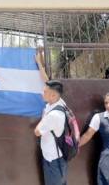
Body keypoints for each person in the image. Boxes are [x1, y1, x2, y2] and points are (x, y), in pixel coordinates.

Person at [34, 51, 68, 185]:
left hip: (53, 160)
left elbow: (37, 131)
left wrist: (44, 118)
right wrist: (39, 64)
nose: (42, 93)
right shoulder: (59, 102)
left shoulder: (53, 115)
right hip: (56, 157)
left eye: (45, 92)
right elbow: (47, 81)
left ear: (53, 96)